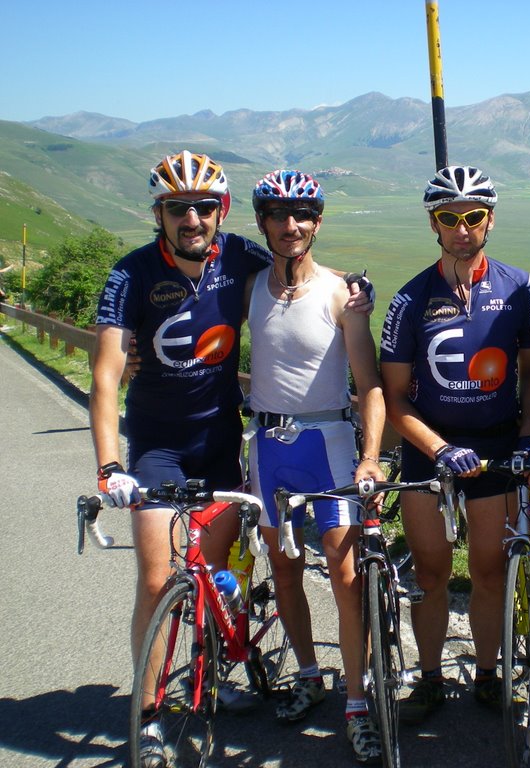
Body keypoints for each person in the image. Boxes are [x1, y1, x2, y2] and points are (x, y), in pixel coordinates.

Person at [89, 150, 370, 766]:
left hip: (221, 443)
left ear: (221, 211)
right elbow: (106, 377)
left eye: (203, 207)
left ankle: (212, 671)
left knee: (216, 578)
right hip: (159, 447)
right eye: (176, 208)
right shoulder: (131, 274)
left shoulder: (243, 256)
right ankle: (151, 711)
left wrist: (358, 291)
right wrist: (111, 466)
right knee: (161, 577)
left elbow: (299, 278)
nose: (191, 218)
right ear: (158, 214)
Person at [379, 165, 530, 724]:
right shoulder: (410, 299)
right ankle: (427, 678)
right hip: (430, 451)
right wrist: (438, 448)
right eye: (449, 218)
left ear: (489, 220)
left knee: (489, 572)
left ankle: (487, 672)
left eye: (473, 216)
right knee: (428, 573)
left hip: (496, 447)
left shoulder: (519, 287)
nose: (462, 227)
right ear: (434, 224)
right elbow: (395, 398)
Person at [245, 170, 387, 763]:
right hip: (267, 447)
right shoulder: (248, 286)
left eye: (302, 213)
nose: (291, 224)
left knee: (346, 575)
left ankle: (356, 700)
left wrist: (372, 457)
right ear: (262, 223)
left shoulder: (340, 293)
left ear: (318, 221)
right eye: (278, 214)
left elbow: (371, 382)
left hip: (326, 442)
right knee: (283, 572)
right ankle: (308, 673)